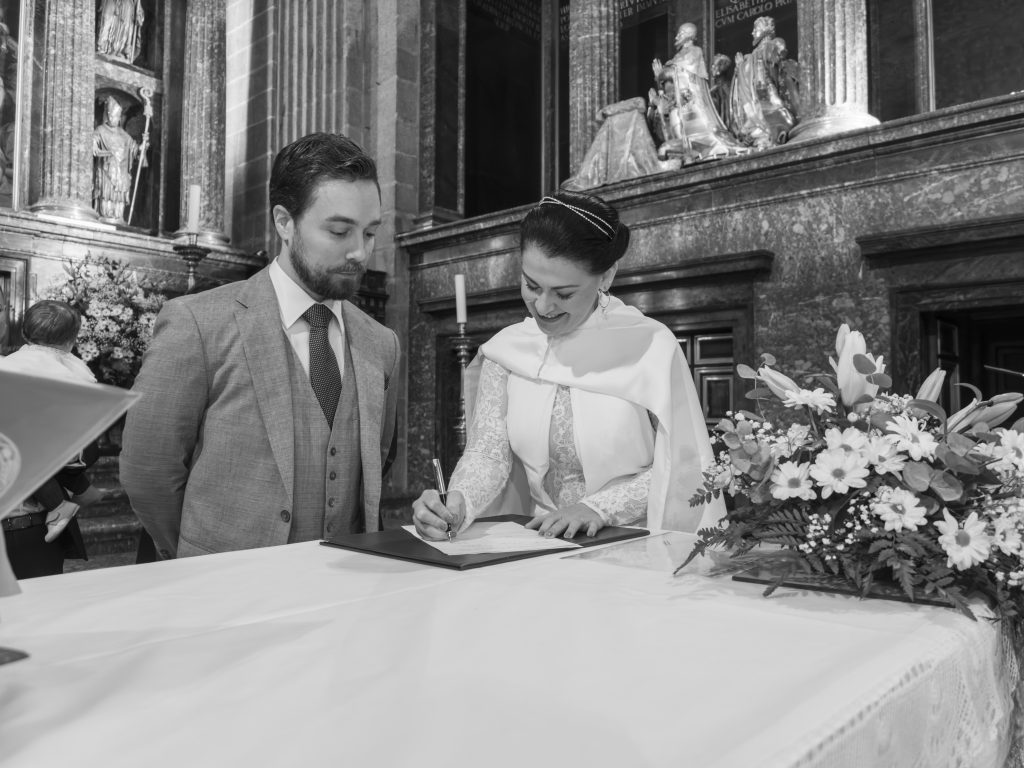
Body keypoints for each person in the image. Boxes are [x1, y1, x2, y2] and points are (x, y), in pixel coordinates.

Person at [120, 132, 401, 559]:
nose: (360, 252)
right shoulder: (198, 324)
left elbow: (377, 463)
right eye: (340, 231)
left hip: (346, 592)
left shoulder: (381, 344)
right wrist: (199, 558)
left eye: (370, 232)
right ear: (284, 222)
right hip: (225, 595)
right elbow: (148, 471)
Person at [412, 191, 724, 541]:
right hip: (540, 543)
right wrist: (458, 502)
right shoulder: (509, 351)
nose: (543, 306)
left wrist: (600, 507)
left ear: (606, 276)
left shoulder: (651, 347)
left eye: (564, 294)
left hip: (633, 542)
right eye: (531, 285)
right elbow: (487, 453)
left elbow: (685, 466)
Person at [0, 300, 100, 578]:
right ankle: (67, 499)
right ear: (72, 340)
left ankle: (63, 502)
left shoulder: (14, 364)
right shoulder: (72, 366)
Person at [650, 23, 748, 163]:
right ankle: (681, 149)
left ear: (690, 36)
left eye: (681, 33)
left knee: (689, 130)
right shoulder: (677, 58)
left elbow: (676, 72)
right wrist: (661, 77)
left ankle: (693, 148)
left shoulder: (695, 51)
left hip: (691, 105)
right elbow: (670, 76)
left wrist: (662, 74)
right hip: (680, 104)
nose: (677, 36)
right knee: (674, 120)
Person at [728, 16, 796, 148]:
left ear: (766, 29)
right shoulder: (750, 57)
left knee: (776, 113)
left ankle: (772, 132)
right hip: (754, 103)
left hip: (768, 95)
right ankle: (759, 133)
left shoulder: (772, 44)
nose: (752, 33)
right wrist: (740, 68)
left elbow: (777, 55)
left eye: (756, 29)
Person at [93, 96, 142, 223]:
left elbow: (134, 149)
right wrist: (93, 144)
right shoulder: (101, 130)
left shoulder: (124, 134)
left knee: (120, 192)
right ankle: (105, 213)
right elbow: (94, 141)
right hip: (106, 170)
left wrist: (141, 148)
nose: (114, 119)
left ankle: (119, 216)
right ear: (108, 114)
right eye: (113, 116)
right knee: (107, 193)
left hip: (122, 171)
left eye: (117, 116)